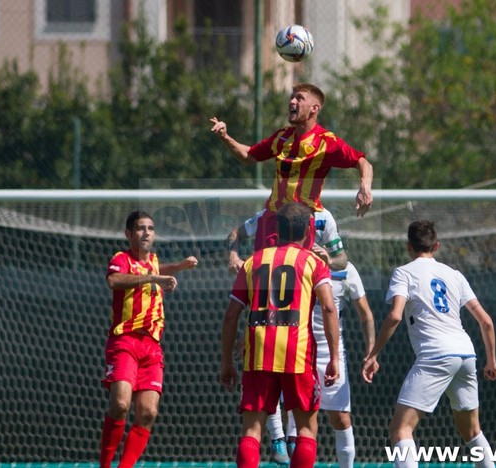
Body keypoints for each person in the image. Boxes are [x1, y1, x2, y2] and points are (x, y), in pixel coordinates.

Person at [227, 208, 373, 467]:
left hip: (258, 351)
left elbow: (231, 316)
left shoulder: (253, 261)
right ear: (308, 230)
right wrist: (335, 358)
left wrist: (226, 361)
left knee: (251, 431)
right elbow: (329, 308)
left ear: (275, 229)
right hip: (298, 352)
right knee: (306, 430)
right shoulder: (314, 263)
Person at [361, 220, 496, 468]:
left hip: (436, 355)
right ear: (436, 246)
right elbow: (486, 322)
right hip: (466, 355)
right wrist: (491, 360)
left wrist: (373, 354)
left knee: (400, 429)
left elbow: (394, 316)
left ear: (408, 247)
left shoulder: (404, 272)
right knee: (471, 430)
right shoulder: (454, 275)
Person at [210, 82, 373, 252]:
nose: (292, 102)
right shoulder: (282, 137)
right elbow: (248, 155)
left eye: (299, 98)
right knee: (265, 275)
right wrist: (225, 137)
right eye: (292, 97)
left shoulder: (326, 142)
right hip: (272, 218)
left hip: (301, 224)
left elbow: (363, 162)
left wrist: (365, 187)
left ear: (314, 108)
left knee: (296, 274)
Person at [99, 210, 198, 468]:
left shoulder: (152, 260)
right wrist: (155, 278)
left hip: (152, 347)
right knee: (121, 404)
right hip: (125, 342)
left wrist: (178, 267)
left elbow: (156, 268)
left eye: (151, 229)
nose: (146, 233)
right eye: (141, 228)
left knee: (148, 412)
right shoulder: (121, 259)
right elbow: (114, 281)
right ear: (128, 234)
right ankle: (105, 464)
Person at [284, 260, 375, 468]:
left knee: (341, 418)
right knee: (293, 418)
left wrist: (371, 352)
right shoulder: (294, 262)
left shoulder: (346, 269)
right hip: (297, 350)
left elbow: (366, 315)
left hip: (331, 352)